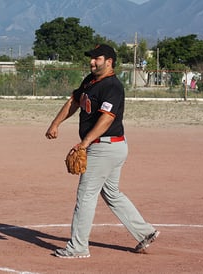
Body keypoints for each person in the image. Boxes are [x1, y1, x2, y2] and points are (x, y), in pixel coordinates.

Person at [45, 44, 159, 258]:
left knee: (86, 195)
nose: (92, 62)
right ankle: (145, 232)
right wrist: (55, 124)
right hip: (109, 146)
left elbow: (107, 119)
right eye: (91, 58)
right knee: (111, 193)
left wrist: (85, 143)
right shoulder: (90, 81)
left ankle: (78, 247)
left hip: (104, 146)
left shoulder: (113, 86)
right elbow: (74, 102)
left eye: (97, 58)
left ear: (109, 61)